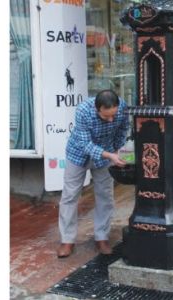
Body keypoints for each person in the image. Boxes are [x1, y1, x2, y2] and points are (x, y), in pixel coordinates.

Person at [56, 89, 129, 258]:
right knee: (70, 196)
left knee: (105, 195)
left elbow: (122, 129)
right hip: (78, 154)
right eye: (106, 117)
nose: (111, 120)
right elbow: (86, 144)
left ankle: (102, 237)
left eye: (114, 115)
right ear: (97, 109)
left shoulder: (122, 108)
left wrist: (117, 151)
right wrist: (110, 155)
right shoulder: (83, 110)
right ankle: (67, 240)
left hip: (106, 153)